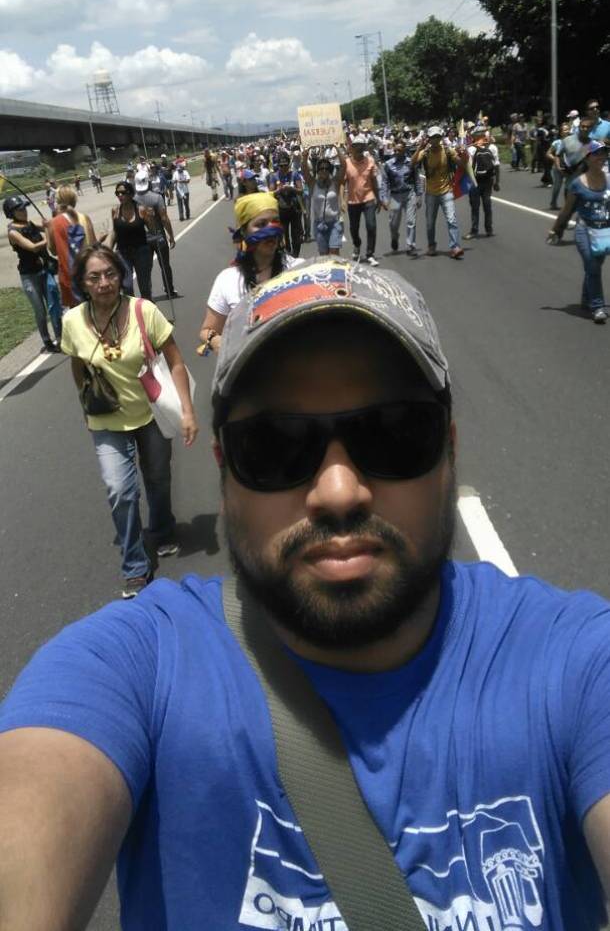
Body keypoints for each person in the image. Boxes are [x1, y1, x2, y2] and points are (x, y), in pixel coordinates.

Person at [1, 257, 610, 929]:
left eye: (396, 432)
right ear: (226, 476)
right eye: (276, 444)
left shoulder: (573, 664)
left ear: (450, 451)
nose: (339, 490)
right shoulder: (138, 668)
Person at [60, 245, 198, 596]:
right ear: (83, 283)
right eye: (94, 277)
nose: (104, 282)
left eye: (110, 273)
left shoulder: (144, 311)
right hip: (106, 419)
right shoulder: (73, 321)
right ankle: (135, 566)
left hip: (152, 414)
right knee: (120, 489)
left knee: (158, 476)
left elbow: (176, 361)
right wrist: (85, 404)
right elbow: (78, 365)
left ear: (121, 275)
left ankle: (163, 529)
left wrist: (186, 410)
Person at [198, 191, 300, 355]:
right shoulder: (227, 280)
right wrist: (215, 341)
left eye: (275, 222)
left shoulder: (300, 271)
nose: (271, 230)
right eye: (261, 224)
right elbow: (207, 330)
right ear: (244, 232)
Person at [547, 141, 610, 323]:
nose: (601, 157)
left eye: (603, 153)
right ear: (587, 158)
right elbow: (566, 211)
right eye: (597, 154)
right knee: (592, 265)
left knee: (594, 267)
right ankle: (597, 306)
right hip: (585, 230)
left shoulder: (608, 179)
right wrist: (555, 230)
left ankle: (586, 298)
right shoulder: (578, 184)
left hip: (604, 231)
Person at [3, 194, 62, 352]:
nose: (24, 211)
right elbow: (33, 247)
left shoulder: (30, 223)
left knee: (54, 304)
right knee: (40, 311)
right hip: (29, 276)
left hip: (44, 270)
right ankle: (47, 341)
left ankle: (61, 337)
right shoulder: (13, 232)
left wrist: (50, 224)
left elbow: (49, 227)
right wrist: (48, 238)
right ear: (11, 212)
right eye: (20, 209)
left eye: (24, 207)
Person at [412, 127, 465, 259]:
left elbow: (461, 164)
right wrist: (420, 147)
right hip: (430, 193)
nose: (435, 140)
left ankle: (455, 247)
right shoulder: (425, 153)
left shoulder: (448, 150)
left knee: (452, 219)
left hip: (446, 191)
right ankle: (431, 245)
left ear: (440, 138)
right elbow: (412, 163)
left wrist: (462, 153)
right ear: (429, 139)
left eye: (437, 137)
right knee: (430, 222)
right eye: (432, 138)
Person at [46, 185, 100, 308]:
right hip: (88, 269)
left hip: (68, 273)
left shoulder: (55, 222)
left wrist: (47, 230)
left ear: (58, 201)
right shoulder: (84, 217)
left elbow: (53, 250)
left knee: (77, 315)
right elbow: (94, 244)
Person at [109, 181, 153, 300]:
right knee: (126, 286)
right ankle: (131, 314)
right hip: (122, 253)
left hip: (141, 251)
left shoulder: (141, 209)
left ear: (131, 194)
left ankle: (148, 313)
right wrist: (108, 250)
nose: (120, 195)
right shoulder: (115, 210)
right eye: (117, 193)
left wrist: (151, 219)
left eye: (123, 192)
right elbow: (114, 231)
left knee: (145, 288)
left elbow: (151, 230)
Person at [344, 134, 384, 266]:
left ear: (364, 147)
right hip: (352, 201)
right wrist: (341, 201)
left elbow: (374, 181)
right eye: (356, 146)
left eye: (362, 146)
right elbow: (342, 182)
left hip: (368, 198)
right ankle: (357, 245)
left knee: (371, 226)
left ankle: (370, 254)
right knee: (353, 229)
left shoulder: (370, 161)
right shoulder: (347, 163)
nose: (359, 149)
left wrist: (379, 199)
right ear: (352, 148)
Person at [138, 177, 180, 299]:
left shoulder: (134, 200)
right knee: (165, 265)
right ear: (149, 183)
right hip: (158, 237)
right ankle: (169, 289)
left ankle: (146, 295)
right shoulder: (156, 197)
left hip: (143, 239)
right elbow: (164, 219)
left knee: (145, 268)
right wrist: (171, 236)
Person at [381, 138, 423, 256]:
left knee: (411, 221)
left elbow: (417, 179)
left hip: (409, 194)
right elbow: (384, 183)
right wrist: (384, 199)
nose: (397, 152)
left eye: (399, 150)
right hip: (395, 196)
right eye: (395, 150)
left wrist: (419, 195)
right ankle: (394, 237)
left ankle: (411, 245)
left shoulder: (411, 162)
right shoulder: (388, 165)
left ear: (404, 150)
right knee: (393, 223)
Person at [302, 145, 346, 256]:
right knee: (324, 256)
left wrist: (337, 147)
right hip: (319, 225)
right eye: (321, 168)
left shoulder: (335, 182)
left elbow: (344, 165)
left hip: (334, 223)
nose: (324, 170)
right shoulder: (312, 184)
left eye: (327, 168)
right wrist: (305, 157)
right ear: (317, 170)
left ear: (330, 170)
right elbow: (305, 171)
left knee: (334, 253)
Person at [464, 129, 500, 239]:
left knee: (475, 206)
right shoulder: (492, 148)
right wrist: (497, 182)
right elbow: (496, 166)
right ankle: (489, 230)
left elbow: (468, 167)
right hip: (488, 180)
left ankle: (474, 231)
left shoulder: (471, 149)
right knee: (487, 205)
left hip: (476, 181)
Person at [268, 154, 305, 257]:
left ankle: (295, 256)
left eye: (285, 165)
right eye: (281, 166)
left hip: (294, 209)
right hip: (281, 210)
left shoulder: (295, 174)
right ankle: (287, 255)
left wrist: (292, 189)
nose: (284, 168)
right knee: (284, 236)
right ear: (278, 166)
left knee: (296, 236)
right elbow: (270, 193)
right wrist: (279, 190)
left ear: (289, 164)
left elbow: (301, 190)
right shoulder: (274, 176)